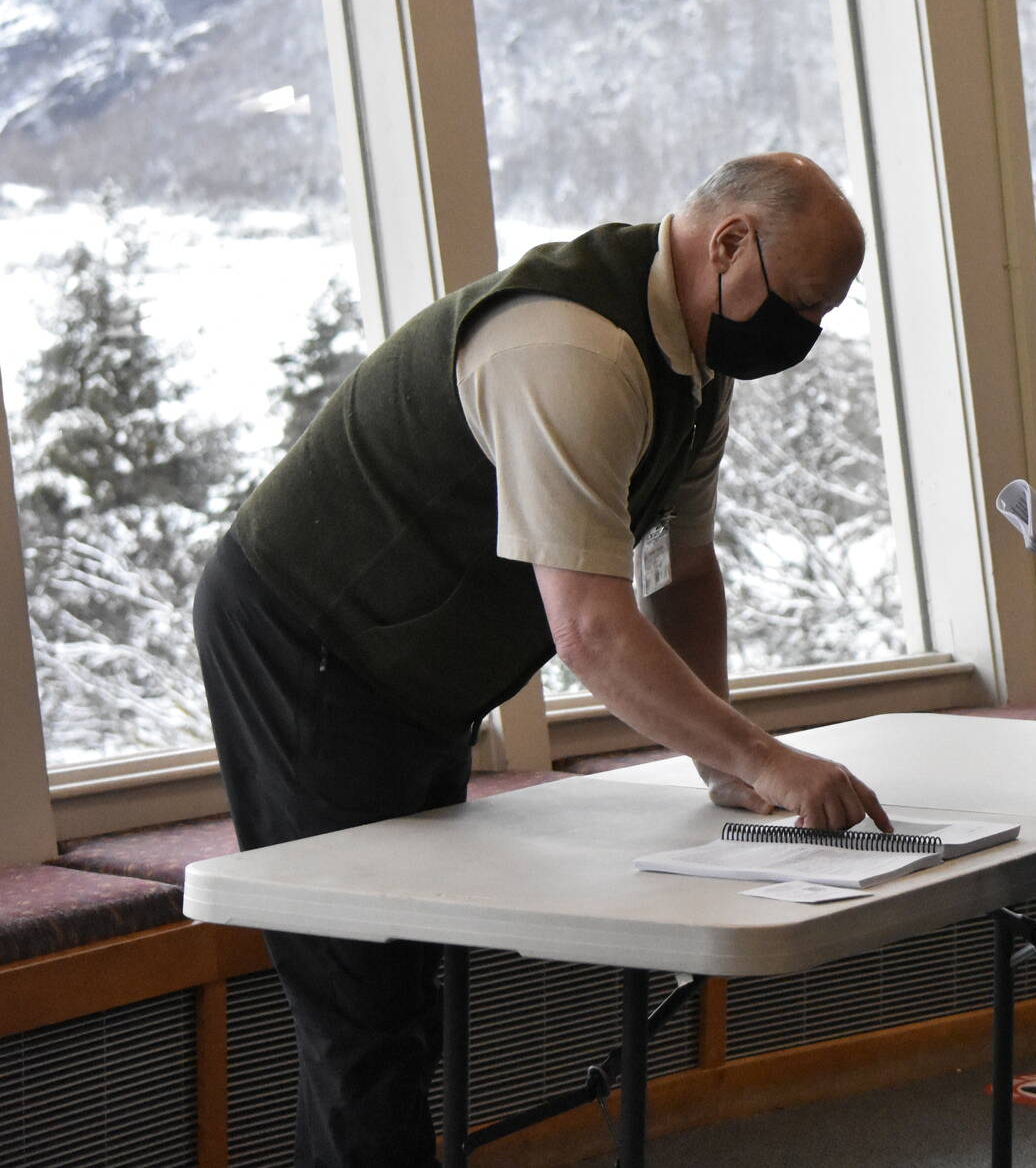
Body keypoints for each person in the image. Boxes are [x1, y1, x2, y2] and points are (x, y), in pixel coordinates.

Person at [194, 152, 892, 1167]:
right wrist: (771, 760)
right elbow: (594, 632)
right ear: (730, 242)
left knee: (401, 995)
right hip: (307, 647)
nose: (802, 335)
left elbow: (681, 576)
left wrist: (724, 764)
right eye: (798, 303)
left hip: (416, 671)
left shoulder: (694, 370)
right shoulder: (575, 351)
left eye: (823, 315)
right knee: (361, 1007)